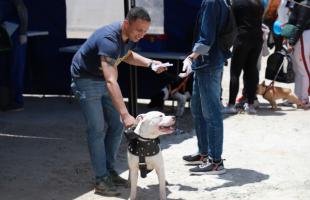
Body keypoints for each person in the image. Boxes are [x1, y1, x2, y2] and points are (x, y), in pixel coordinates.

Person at [70, 7, 168, 196]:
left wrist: (150, 63)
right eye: (138, 30)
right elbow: (111, 80)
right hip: (85, 79)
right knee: (97, 129)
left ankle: (109, 171)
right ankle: (101, 179)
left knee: (116, 126)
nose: (141, 35)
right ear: (126, 24)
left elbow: (127, 55)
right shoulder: (108, 40)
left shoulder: (128, 37)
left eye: (145, 31)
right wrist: (126, 114)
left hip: (103, 79)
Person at [179, 0, 231, 175]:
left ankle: (215, 162)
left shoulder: (211, 2)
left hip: (208, 63)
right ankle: (204, 153)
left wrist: (191, 57)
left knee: (211, 112)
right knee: (198, 109)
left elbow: (206, 38)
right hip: (206, 63)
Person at [222, 0, 264, 114]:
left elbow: (231, 22)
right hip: (257, 39)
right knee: (252, 70)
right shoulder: (258, 3)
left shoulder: (237, 3)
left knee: (235, 72)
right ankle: (251, 104)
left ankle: (231, 105)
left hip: (242, 38)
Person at [0, 0, 28, 111]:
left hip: (13, 32)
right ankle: (5, 100)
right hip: (3, 32)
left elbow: (22, 9)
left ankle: (17, 101)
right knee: (3, 68)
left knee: (15, 68)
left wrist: (23, 32)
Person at [285, 0, 310, 107]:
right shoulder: (299, 2)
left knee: (303, 68)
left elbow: (301, 24)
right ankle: (296, 98)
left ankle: (304, 98)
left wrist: (291, 41)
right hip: (299, 36)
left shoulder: (305, 3)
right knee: (297, 69)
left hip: (303, 36)